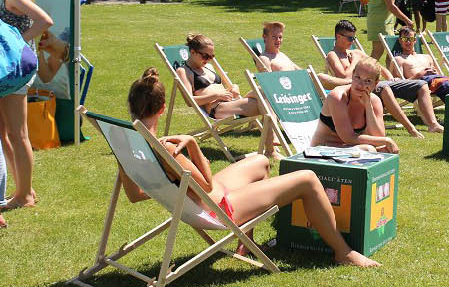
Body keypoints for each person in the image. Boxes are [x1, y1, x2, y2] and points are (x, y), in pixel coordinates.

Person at [127, 68, 378, 267]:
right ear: (161, 109)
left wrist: (166, 187)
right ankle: (342, 252)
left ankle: (246, 242)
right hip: (218, 208)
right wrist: (192, 145)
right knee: (308, 178)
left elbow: (134, 195)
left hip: (201, 199)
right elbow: (206, 185)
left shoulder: (129, 144)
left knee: (260, 162)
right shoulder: (170, 149)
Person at [0, 0, 53, 213]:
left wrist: (18, 40)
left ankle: (25, 194)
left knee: (18, 133)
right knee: (5, 133)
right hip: (10, 70)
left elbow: (45, 20)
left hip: (14, 71)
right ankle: (22, 188)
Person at [326, 19, 441, 135]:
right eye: (350, 38)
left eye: (354, 38)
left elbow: (378, 66)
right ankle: (410, 128)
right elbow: (344, 78)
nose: (352, 41)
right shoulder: (333, 55)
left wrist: (391, 77)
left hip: (376, 84)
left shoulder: (356, 52)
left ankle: (433, 124)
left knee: (421, 85)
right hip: (359, 88)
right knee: (384, 87)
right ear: (338, 36)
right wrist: (356, 60)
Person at [175, 33, 275, 157]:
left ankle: (271, 146)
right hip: (217, 109)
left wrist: (234, 88)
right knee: (266, 100)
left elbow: (225, 88)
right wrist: (216, 95)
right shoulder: (183, 71)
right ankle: (271, 148)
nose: (208, 60)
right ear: (193, 52)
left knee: (265, 91)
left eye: (212, 56)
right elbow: (189, 101)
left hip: (231, 103)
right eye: (205, 56)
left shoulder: (209, 67)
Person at [312, 57, 399, 156]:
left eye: (368, 81)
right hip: (321, 150)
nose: (360, 85)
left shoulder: (374, 101)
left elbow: (378, 136)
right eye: (358, 77)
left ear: (376, 83)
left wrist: (368, 106)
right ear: (352, 75)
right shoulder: (338, 97)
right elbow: (348, 138)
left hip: (347, 149)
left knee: (384, 150)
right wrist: (387, 140)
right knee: (369, 149)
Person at [392, 26, 449, 98]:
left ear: (415, 40)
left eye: (411, 39)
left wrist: (436, 72)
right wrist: (419, 75)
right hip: (424, 84)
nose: (408, 42)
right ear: (400, 40)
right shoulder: (399, 59)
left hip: (440, 80)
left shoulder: (427, 57)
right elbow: (400, 84)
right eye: (405, 39)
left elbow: (440, 75)